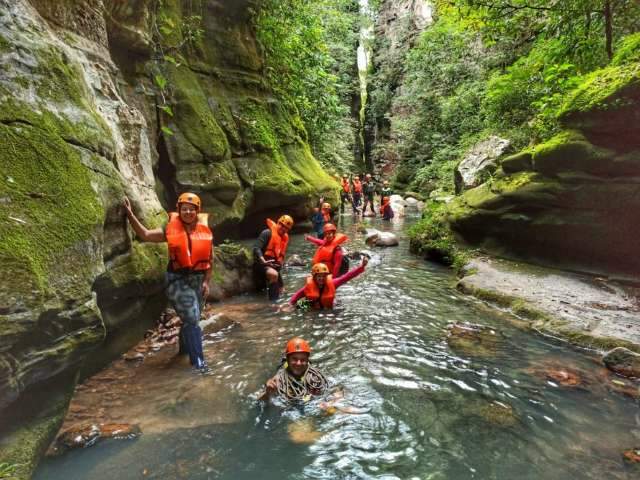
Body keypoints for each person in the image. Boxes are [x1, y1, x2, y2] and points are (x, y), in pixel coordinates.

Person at [123, 193, 212, 371]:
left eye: (191, 209)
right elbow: (146, 235)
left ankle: (184, 352)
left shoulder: (204, 230)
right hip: (177, 280)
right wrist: (130, 215)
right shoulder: (170, 228)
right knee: (193, 319)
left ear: (197, 211)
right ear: (179, 211)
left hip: (197, 281)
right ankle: (199, 363)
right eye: (184, 209)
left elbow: (210, 257)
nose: (188, 212)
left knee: (189, 319)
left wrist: (206, 282)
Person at [260, 337, 329, 403]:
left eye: (303, 360)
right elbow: (260, 401)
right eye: (294, 359)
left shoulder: (315, 378)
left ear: (307, 360)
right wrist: (268, 393)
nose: (298, 363)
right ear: (288, 360)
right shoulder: (277, 380)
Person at [288, 257, 368, 309]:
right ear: (314, 277)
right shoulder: (309, 286)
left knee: (337, 307)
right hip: (313, 304)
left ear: (326, 276)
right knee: (297, 306)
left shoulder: (333, 283)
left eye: (323, 276)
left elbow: (347, 276)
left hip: (328, 304)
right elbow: (297, 295)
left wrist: (361, 267)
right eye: (319, 276)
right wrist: (290, 304)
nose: (321, 278)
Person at [253, 215, 294, 301]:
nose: (283, 228)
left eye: (286, 228)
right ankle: (274, 303)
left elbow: (279, 257)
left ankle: (278, 298)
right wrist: (263, 260)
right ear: (278, 223)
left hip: (272, 265)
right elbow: (256, 248)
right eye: (281, 225)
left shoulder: (284, 238)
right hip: (261, 264)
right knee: (274, 274)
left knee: (282, 290)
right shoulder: (267, 233)